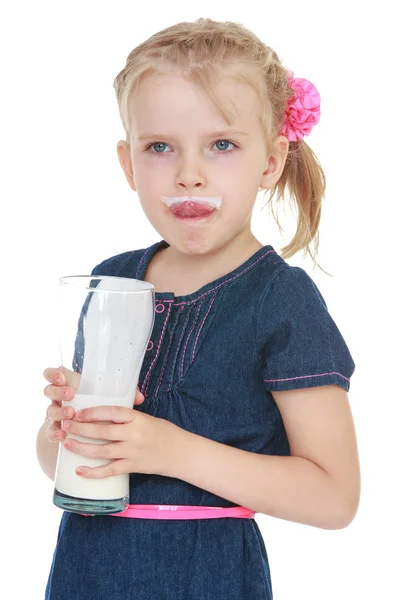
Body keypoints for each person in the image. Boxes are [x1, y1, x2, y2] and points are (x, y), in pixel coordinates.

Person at [37, 17, 360, 600]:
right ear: (128, 163)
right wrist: (62, 430)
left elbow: (333, 497)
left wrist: (169, 449)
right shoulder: (111, 281)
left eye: (223, 145)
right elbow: (62, 461)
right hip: (84, 572)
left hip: (205, 578)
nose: (189, 174)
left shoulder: (279, 300)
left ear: (271, 161)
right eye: (160, 147)